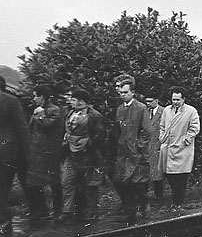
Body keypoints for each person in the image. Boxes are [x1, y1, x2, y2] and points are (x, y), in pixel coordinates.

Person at [61, 87, 106, 222]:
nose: (70, 102)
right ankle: (67, 212)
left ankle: (92, 212)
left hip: (88, 155)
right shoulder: (69, 113)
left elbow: (101, 134)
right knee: (67, 181)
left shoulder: (95, 115)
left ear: (81, 102)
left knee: (90, 185)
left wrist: (88, 144)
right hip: (71, 152)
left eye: (73, 100)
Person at [111, 79, 152, 222]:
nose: (123, 95)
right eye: (121, 92)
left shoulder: (141, 108)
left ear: (133, 93)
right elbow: (118, 129)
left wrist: (139, 148)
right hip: (123, 152)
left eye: (126, 92)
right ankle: (131, 210)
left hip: (136, 152)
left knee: (136, 183)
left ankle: (144, 203)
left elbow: (146, 131)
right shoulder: (120, 109)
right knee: (120, 181)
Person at [25, 84, 64, 220]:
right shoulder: (37, 109)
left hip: (49, 152)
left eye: (36, 96)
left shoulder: (55, 110)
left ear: (42, 96)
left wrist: (40, 115)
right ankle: (41, 210)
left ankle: (58, 210)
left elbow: (47, 125)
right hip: (36, 151)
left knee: (54, 181)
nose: (34, 98)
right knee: (35, 181)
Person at [158, 86, 200, 210]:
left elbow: (195, 128)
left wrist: (185, 139)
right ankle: (175, 200)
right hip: (168, 147)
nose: (175, 102)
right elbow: (162, 126)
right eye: (173, 99)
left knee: (181, 177)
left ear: (183, 99)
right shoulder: (166, 110)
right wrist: (162, 137)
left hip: (182, 149)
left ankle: (178, 202)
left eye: (178, 99)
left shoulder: (191, 111)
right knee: (169, 175)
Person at [0, 76, 30, 233]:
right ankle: (5, 222)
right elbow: (21, 127)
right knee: (7, 186)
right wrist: (27, 151)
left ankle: (4, 220)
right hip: (10, 150)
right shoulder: (11, 101)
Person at [144, 94, 165, 201]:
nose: (148, 103)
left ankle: (159, 195)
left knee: (158, 172)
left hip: (159, 145)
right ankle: (146, 197)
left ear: (156, 100)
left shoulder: (164, 112)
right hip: (147, 146)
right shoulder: (145, 112)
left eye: (150, 101)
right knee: (148, 171)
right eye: (146, 101)